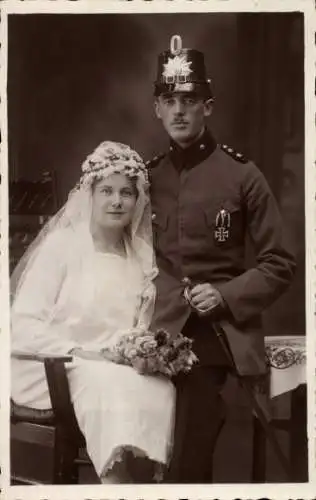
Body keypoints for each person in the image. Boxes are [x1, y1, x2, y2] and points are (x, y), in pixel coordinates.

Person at [147, 35, 296, 483]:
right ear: (157, 108)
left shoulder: (242, 175)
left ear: (208, 106)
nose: (179, 110)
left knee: (193, 423)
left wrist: (226, 294)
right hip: (154, 330)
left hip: (219, 336)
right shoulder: (145, 177)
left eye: (189, 99)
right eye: (169, 99)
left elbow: (279, 262)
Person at [11, 141, 175, 483]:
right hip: (50, 365)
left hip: (112, 368)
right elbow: (22, 325)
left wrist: (137, 350)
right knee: (105, 382)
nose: (117, 201)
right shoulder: (62, 247)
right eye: (107, 191)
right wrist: (79, 352)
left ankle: (147, 480)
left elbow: (138, 325)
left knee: (160, 384)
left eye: (126, 193)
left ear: (138, 199)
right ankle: (116, 481)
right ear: (90, 194)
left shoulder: (141, 257)